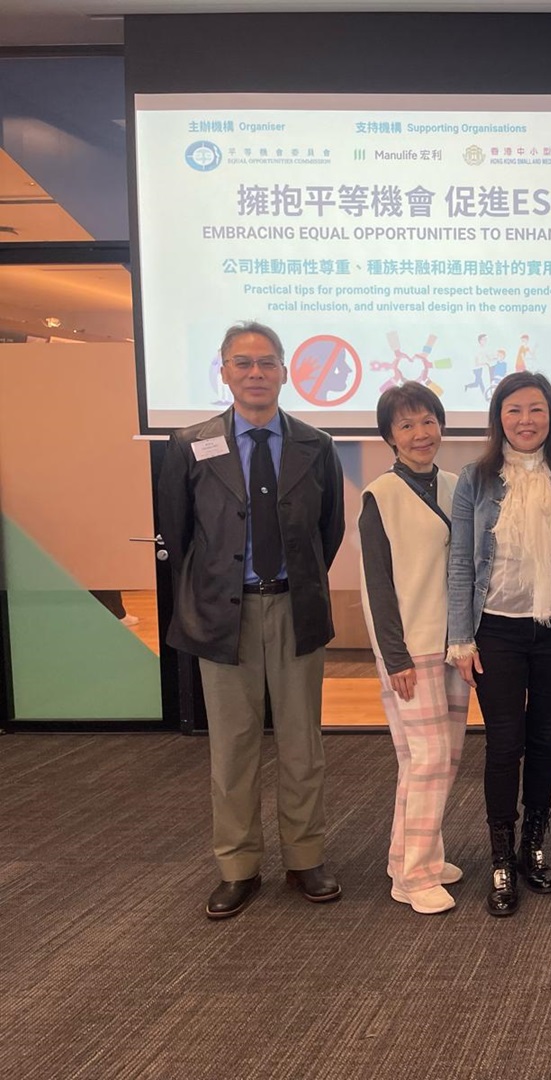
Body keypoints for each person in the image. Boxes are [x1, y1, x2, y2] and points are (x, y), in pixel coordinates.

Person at [157, 321, 344, 919]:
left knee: (302, 743)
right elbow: (179, 535)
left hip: (294, 608)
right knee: (233, 746)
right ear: (225, 371)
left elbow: (329, 531)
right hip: (223, 616)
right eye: (243, 362)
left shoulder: (316, 444)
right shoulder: (190, 445)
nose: (256, 373)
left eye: (267, 362)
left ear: (285, 372)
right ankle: (237, 865)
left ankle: (305, 857)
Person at [447, 372, 551, 918]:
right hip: (496, 629)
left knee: (546, 740)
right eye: (514, 410)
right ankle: (501, 856)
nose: (526, 420)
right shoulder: (475, 479)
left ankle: (533, 845)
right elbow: (461, 560)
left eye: (536, 410)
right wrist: (460, 637)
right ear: (498, 418)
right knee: (505, 744)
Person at [358, 383, 467, 915]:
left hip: (454, 646)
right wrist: (394, 657)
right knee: (428, 758)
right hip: (411, 648)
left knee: (437, 759)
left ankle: (408, 857)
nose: (421, 433)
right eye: (406, 425)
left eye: (428, 421)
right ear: (390, 437)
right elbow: (376, 585)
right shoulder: (380, 495)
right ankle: (415, 877)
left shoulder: (455, 485)